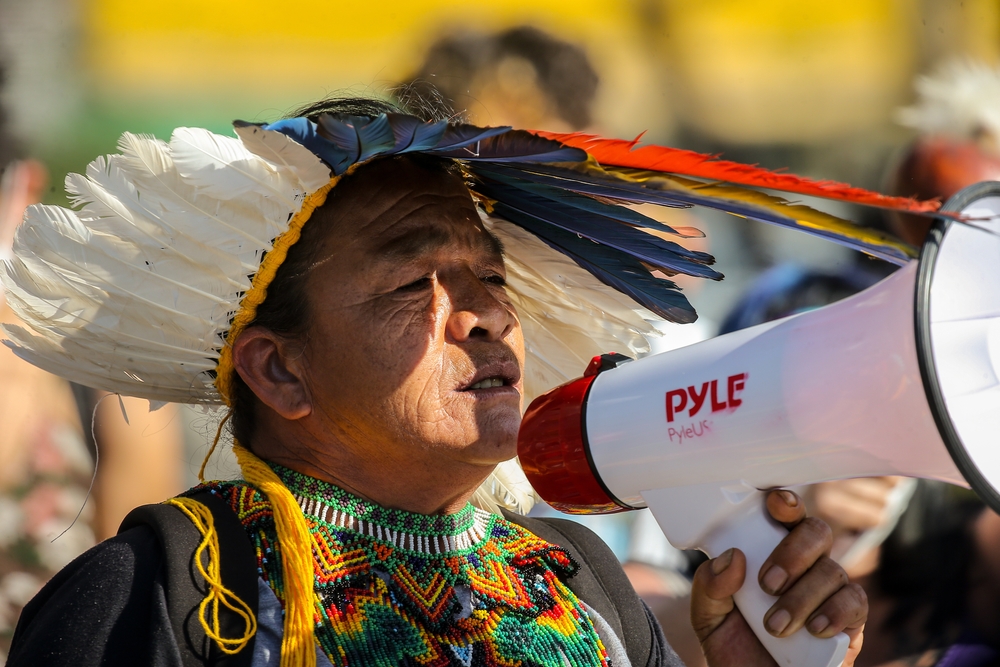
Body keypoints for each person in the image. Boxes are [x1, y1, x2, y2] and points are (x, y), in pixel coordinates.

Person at [1, 94, 868, 666]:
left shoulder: (577, 581)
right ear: (278, 367)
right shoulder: (164, 592)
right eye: (415, 283)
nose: (483, 314)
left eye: (490, 278)